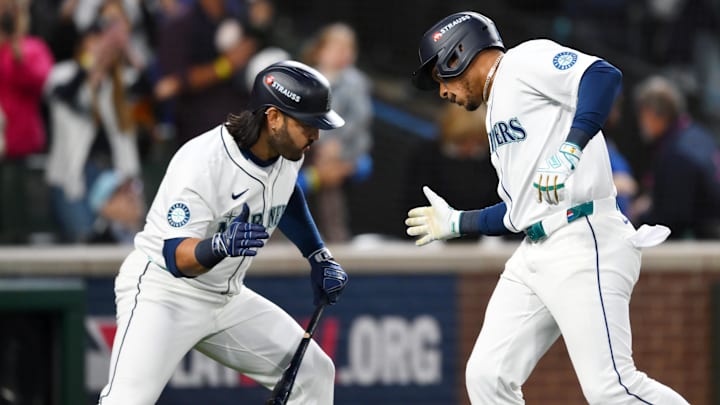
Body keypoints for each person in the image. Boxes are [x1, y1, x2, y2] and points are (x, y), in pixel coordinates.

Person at [404, 11, 690, 404]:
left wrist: (571, 147)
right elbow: (519, 213)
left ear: (458, 55)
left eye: (441, 76)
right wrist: (458, 221)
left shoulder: (521, 62)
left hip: (582, 233)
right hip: (535, 250)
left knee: (611, 388)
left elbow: (603, 75)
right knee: (488, 376)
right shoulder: (495, 110)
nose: (442, 91)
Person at [97, 60, 349, 404]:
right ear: (273, 117)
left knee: (314, 373)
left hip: (225, 297)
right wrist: (219, 245)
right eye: (308, 124)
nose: (316, 135)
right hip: (164, 293)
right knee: (126, 401)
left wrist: (317, 254)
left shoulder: (288, 150)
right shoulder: (203, 162)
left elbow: (285, 193)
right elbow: (176, 257)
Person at [44, 0, 145, 243]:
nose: (101, 48)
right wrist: (91, 64)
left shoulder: (119, 82)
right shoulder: (63, 73)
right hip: (74, 179)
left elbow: (150, 89)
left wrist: (125, 45)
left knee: (121, 250)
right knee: (83, 244)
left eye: (104, 43)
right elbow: (63, 96)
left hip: (115, 178)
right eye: (94, 40)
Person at [299, 22, 373, 242]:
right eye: (337, 49)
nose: (344, 55)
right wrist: (320, 145)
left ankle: (336, 239)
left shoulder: (356, 82)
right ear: (320, 51)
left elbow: (358, 121)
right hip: (311, 152)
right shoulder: (306, 80)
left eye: (349, 49)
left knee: (332, 196)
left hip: (345, 152)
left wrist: (336, 146)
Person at [632, 75, 720, 239]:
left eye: (642, 114)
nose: (641, 122)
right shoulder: (695, 133)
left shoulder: (677, 153)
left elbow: (671, 220)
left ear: (652, 113)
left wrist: (635, 221)